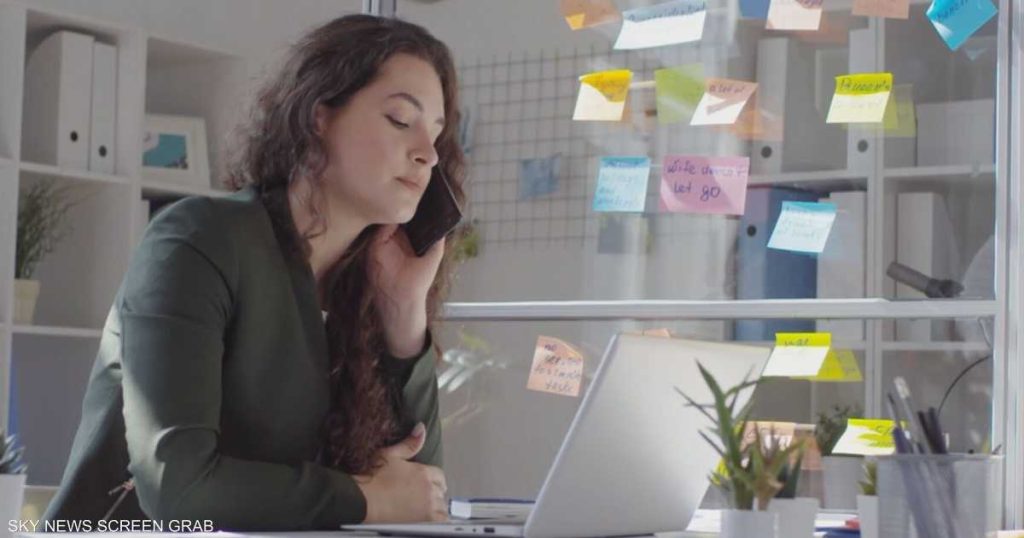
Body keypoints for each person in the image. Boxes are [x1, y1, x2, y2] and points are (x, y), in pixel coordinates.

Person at [43, 13, 464, 530]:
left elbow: (421, 494)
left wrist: (404, 315)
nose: (427, 155)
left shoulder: (367, 284)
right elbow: (178, 487)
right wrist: (364, 497)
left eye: (437, 136)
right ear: (319, 116)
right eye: (401, 120)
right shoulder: (198, 241)